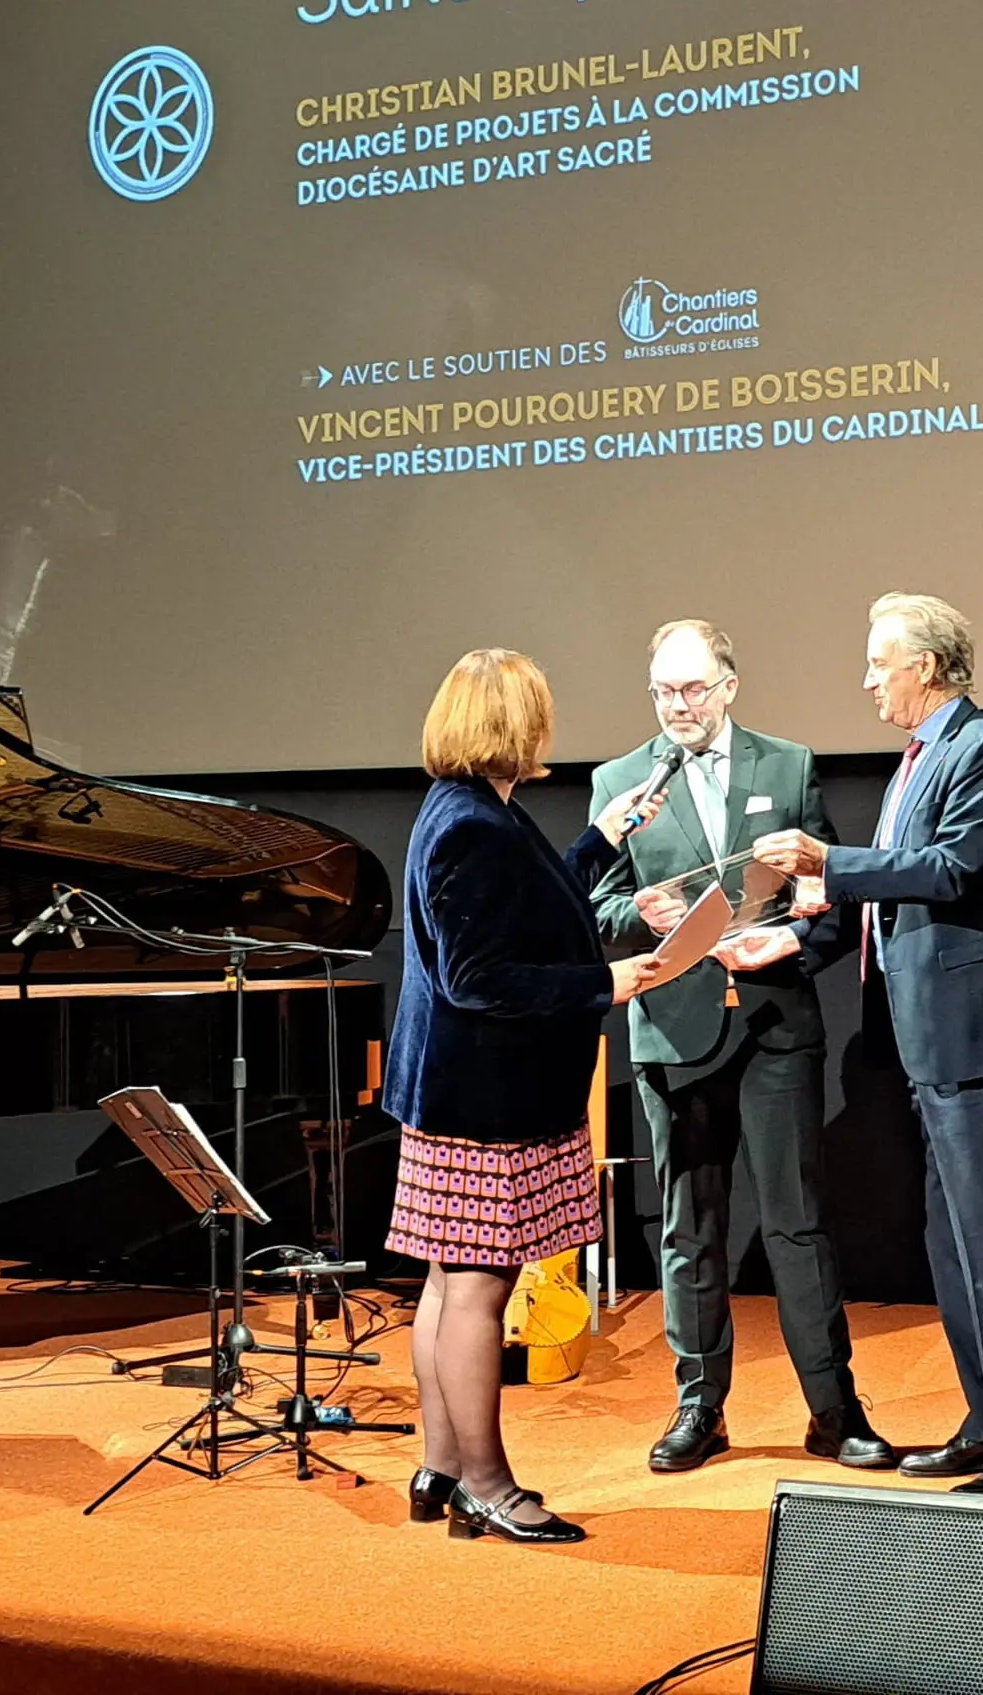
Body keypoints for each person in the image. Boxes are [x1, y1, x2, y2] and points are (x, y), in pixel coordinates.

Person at [743, 593, 983, 1498]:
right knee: (951, 1240)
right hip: (926, 1033)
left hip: (974, 1030)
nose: (867, 681)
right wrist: (800, 929)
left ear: (923, 666)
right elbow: (896, 889)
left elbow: (952, 869)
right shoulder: (918, 759)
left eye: (877, 663)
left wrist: (829, 862)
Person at [590, 621, 892, 1473]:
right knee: (690, 1228)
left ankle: (834, 1409)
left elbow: (824, 890)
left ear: (728, 686)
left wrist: (792, 936)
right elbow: (599, 905)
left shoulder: (787, 765)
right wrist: (637, 911)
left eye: (692, 688)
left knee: (799, 1223)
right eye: (662, 690)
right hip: (674, 1032)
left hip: (774, 1025)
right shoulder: (619, 781)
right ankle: (699, 1406)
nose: (677, 705)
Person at [383, 649, 666, 1545]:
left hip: (455, 1092)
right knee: (477, 1289)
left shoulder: (471, 809)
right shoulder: (474, 825)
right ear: (519, 723)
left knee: (447, 1282)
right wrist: (603, 983)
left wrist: (601, 840)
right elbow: (478, 978)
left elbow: (527, 908)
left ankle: (438, 1468)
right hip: (485, 1102)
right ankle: (486, 1485)